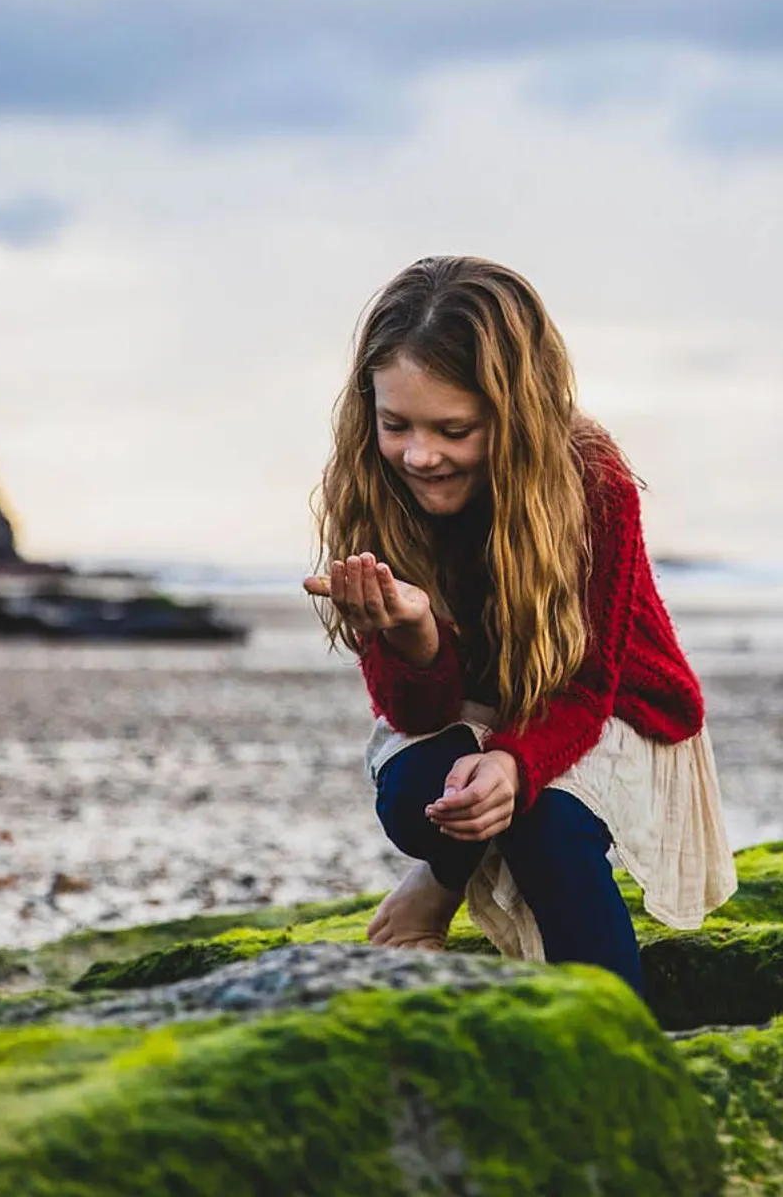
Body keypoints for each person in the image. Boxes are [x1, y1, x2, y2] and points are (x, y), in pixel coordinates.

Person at [305, 255, 736, 996]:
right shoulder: (374, 485)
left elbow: (587, 684)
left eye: (454, 429)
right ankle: (443, 867)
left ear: (517, 416)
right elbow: (416, 713)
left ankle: (612, 1041)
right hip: (480, 699)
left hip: (604, 706)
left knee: (549, 831)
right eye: (395, 424)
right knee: (419, 801)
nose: (420, 454)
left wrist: (514, 763)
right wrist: (414, 635)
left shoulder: (591, 486)